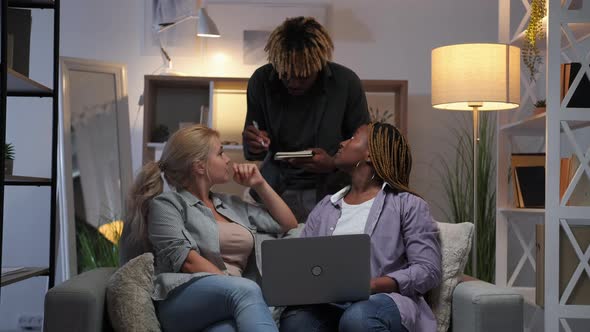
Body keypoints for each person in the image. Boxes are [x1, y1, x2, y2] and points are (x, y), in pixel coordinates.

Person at [120, 124, 298, 332]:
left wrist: (260, 184)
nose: (228, 160)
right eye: (221, 153)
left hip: (231, 299)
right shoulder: (167, 205)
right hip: (183, 297)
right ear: (199, 166)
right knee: (247, 290)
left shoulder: (231, 204)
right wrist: (235, 287)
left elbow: (288, 224)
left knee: (226, 330)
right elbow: (187, 261)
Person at [279, 122, 442, 332]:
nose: (342, 142)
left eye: (353, 138)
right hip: (328, 304)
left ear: (370, 155)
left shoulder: (408, 204)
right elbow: (303, 261)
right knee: (295, 320)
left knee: (357, 318)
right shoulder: (325, 207)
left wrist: (376, 284)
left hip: (384, 301)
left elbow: (428, 270)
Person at [242, 16, 370, 223]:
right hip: (275, 190)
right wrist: (254, 143)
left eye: (303, 76)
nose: (292, 83)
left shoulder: (345, 83)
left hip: (332, 193)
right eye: (285, 75)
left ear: (318, 64)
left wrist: (333, 163)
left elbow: (365, 148)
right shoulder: (261, 81)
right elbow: (252, 147)